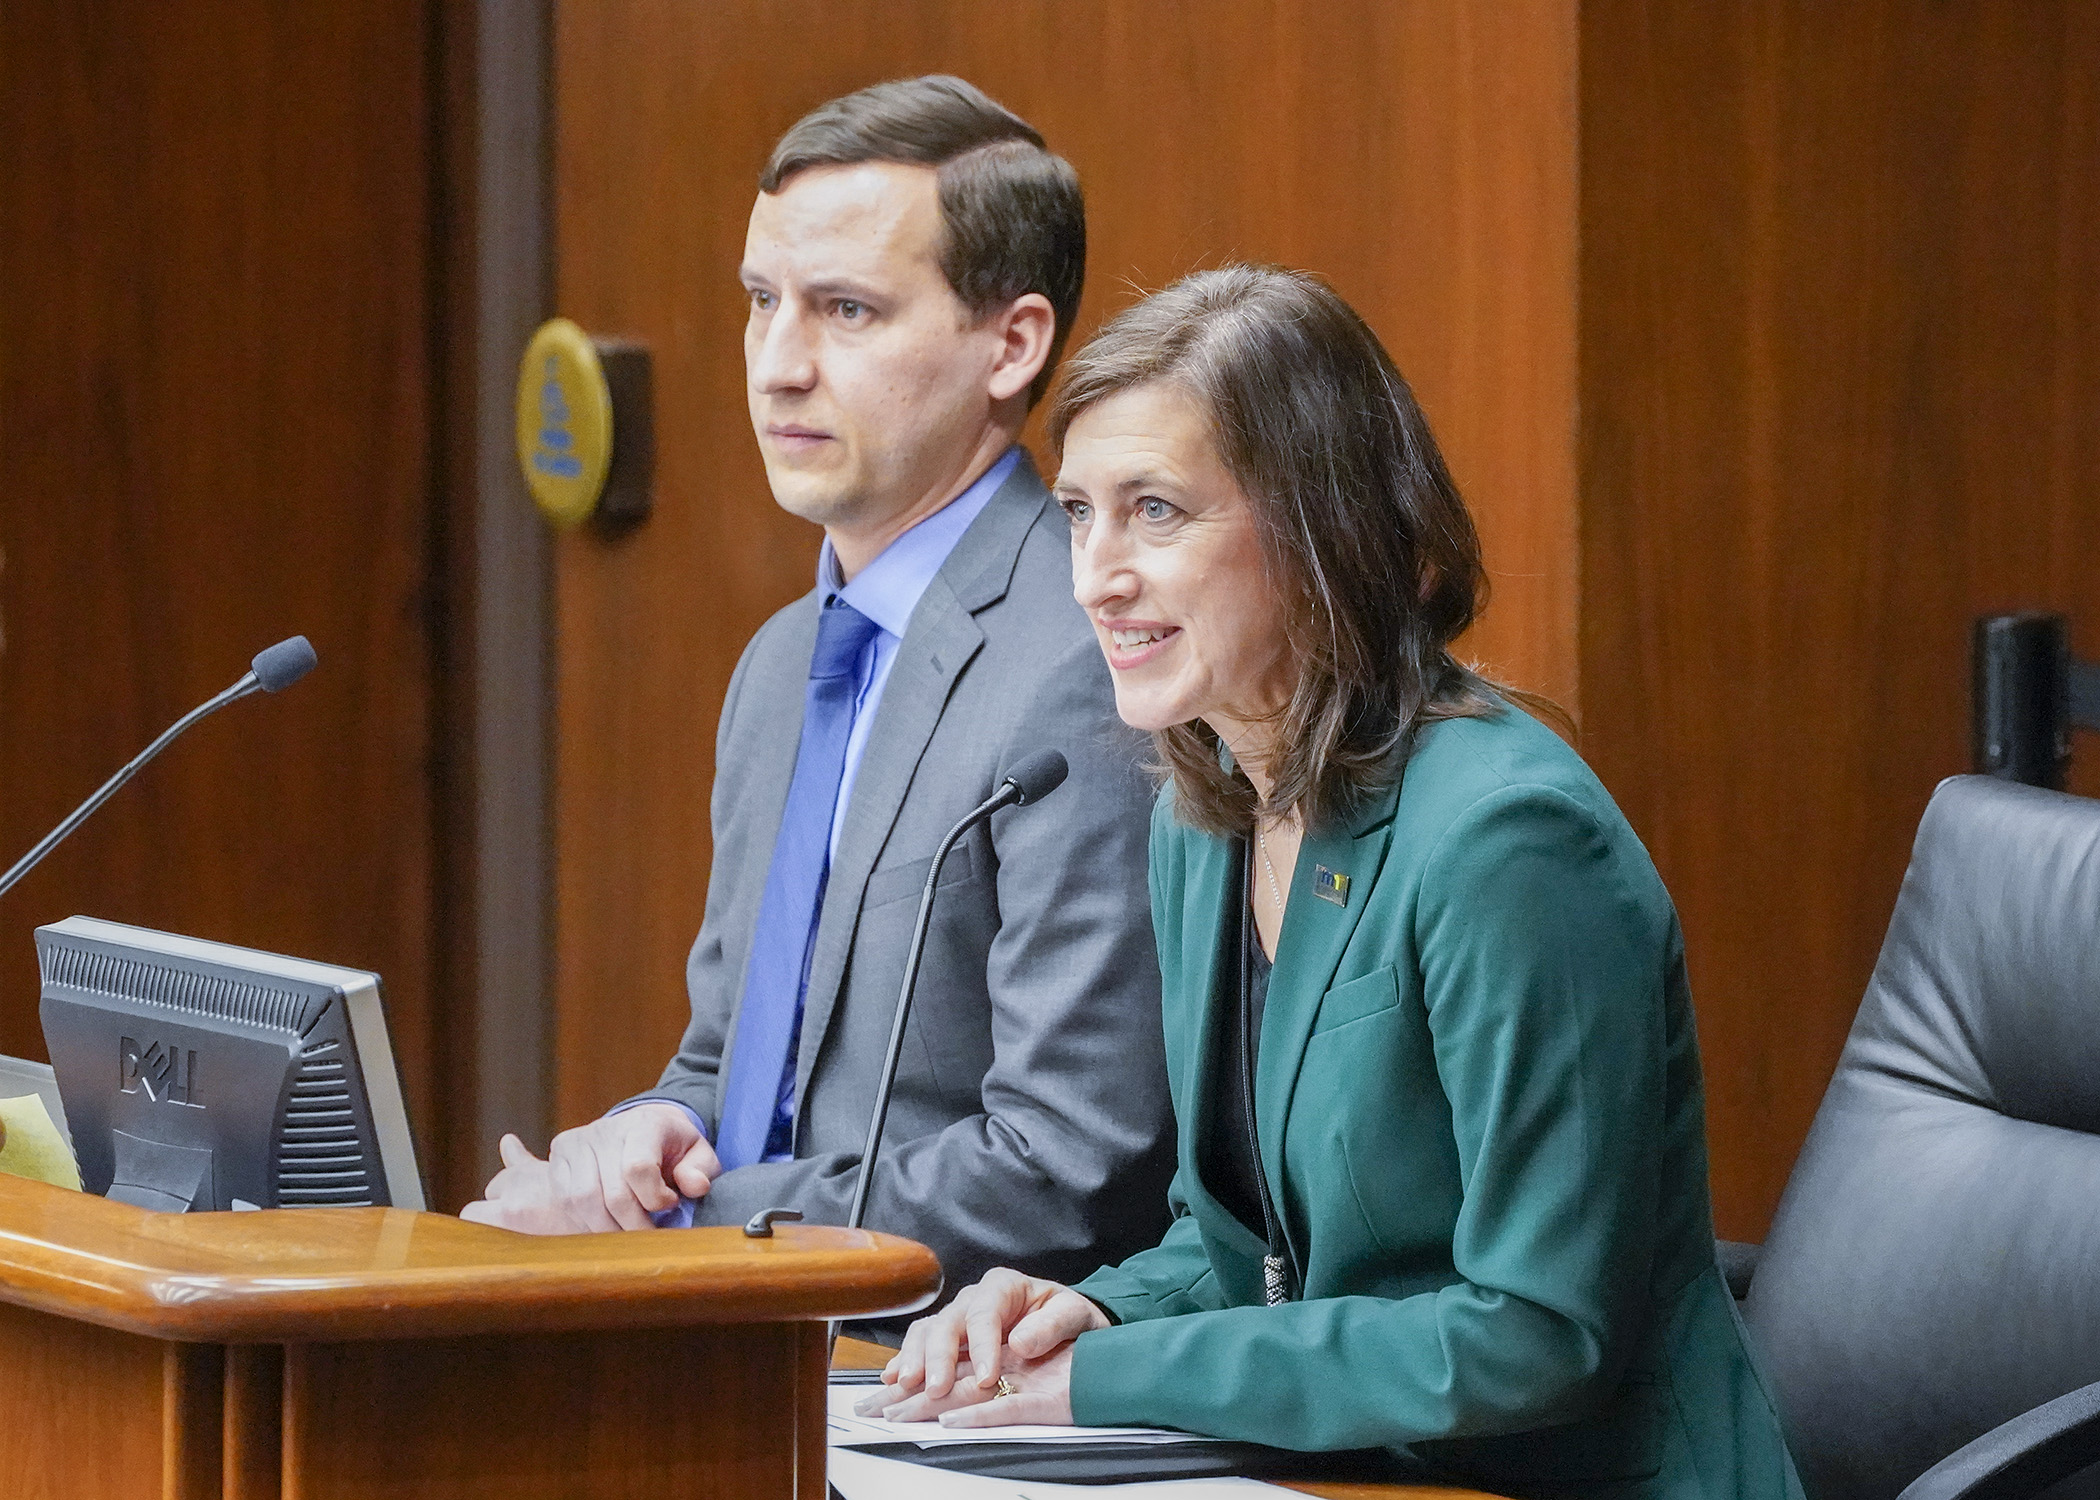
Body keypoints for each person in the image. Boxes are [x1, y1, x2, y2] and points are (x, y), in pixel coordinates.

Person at [861, 266, 1805, 1498]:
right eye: (1081, 513)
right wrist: (1080, 1316)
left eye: (1155, 511)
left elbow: (1536, 1334)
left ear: (1323, 530)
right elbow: (1242, 1246)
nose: (1095, 575)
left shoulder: (1507, 839)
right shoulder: (1204, 811)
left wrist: (1113, 1381)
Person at [463, 77, 1176, 1309]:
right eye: (760, 303)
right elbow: (729, 1069)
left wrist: (677, 1223)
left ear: (1012, 344)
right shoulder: (784, 662)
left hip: (950, 1381)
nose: (779, 367)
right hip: (750, 1347)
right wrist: (637, 1140)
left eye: (846, 310)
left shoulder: (1083, 663)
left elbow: (1068, 1168)